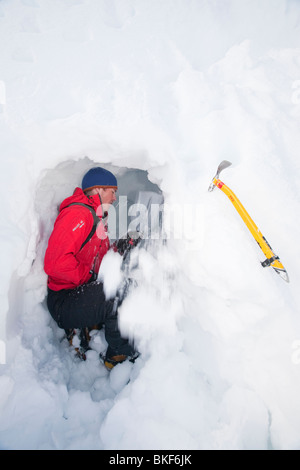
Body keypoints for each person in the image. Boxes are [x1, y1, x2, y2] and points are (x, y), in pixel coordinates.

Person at [44, 166, 138, 369]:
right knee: (117, 291)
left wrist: (122, 246)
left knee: (123, 282)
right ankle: (119, 355)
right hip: (64, 301)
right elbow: (55, 263)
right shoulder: (78, 214)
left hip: (77, 293)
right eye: (112, 191)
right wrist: (90, 276)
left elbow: (100, 260)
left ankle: (93, 324)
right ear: (98, 190)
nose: (114, 198)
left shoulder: (96, 218)